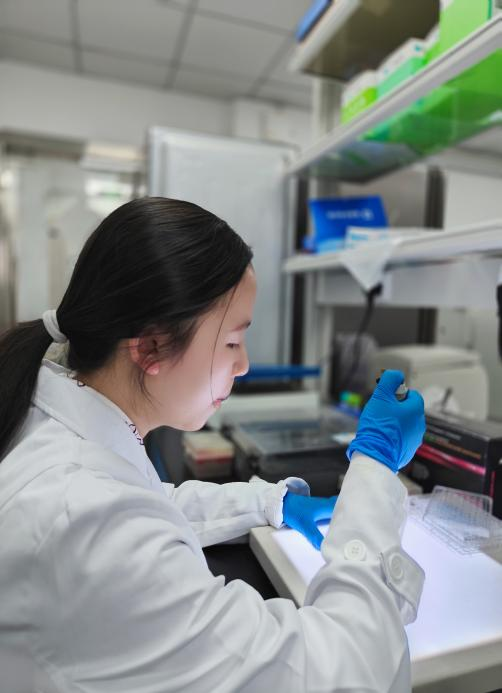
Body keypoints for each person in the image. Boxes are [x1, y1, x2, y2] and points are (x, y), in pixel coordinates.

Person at [0, 197, 426, 693]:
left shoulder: (58, 418)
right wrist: (374, 464)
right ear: (151, 347)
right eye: (231, 343)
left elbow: (148, 500)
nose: (243, 365)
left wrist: (270, 503)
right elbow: (345, 670)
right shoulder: (84, 524)